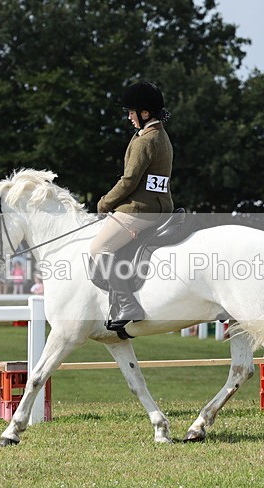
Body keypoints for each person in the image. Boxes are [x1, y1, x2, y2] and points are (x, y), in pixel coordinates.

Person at [90, 81, 174, 331]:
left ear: (145, 113)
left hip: (140, 209)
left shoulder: (144, 141)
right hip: (161, 206)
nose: (129, 117)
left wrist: (105, 202)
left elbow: (129, 180)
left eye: (131, 112)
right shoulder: (161, 136)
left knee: (99, 248)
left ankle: (127, 304)